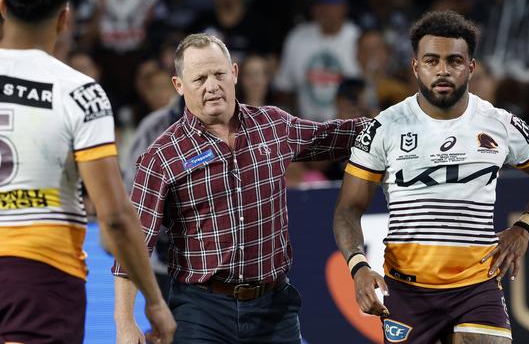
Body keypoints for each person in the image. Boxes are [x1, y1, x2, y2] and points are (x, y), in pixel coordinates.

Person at [113, 32, 369, 343]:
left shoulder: (274, 126)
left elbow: (337, 136)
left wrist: (403, 121)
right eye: (199, 79)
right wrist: (125, 321)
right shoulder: (161, 157)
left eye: (219, 74)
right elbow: (133, 244)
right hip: (200, 309)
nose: (212, 86)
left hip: (274, 306)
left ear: (234, 73)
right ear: (179, 86)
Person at [333, 10, 529, 344]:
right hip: (408, 290)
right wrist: (358, 267)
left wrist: (524, 227)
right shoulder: (384, 128)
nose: (443, 70)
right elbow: (348, 209)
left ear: (471, 67)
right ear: (416, 66)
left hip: (477, 285)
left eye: (454, 60)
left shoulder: (499, 124)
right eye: (431, 60)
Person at [0, 0, 176, 343]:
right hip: (38, 278)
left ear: (2, 7)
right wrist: (154, 300)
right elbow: (113, 218)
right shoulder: (79, 92)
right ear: (64, 20)